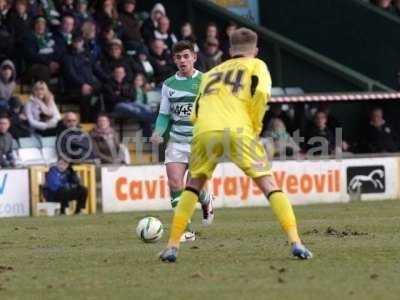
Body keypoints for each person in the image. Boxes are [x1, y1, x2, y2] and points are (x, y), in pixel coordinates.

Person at [159, 28, 313, 262]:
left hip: (204, 131)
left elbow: (196, 108)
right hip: (239, 129)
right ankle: (296, 243)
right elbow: (261, 93)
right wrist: (255, 125)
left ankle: (172, 247)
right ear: (256, 51)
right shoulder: (257, 65)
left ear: (230, 51)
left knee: (192, 186)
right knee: (268, 184)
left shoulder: (212, 72)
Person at [151, 41, 215, 243]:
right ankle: (186, 230)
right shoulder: (169, 85)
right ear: (174, 60)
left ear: (194, 58)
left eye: (186, 56)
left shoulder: (205, 81)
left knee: (191, 189)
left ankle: (206, 200)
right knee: (174, 183)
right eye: (178, 57)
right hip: (177, 141)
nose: (182, 60)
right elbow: (163, 115)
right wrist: (158, 132)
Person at [103, 65, 155, 137]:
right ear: (114, 73)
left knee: (143, 107)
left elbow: (132, 96)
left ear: (124, 74)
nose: (119, 74)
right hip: (115, 108)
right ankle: (152, 118)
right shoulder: (108, 85)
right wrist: (123, 95)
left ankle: (150, 121)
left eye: (121, 73)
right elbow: (112, 98)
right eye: (117, 72)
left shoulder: (127, 84)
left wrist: (119, 94)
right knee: (128, 107)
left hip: (128, 104)